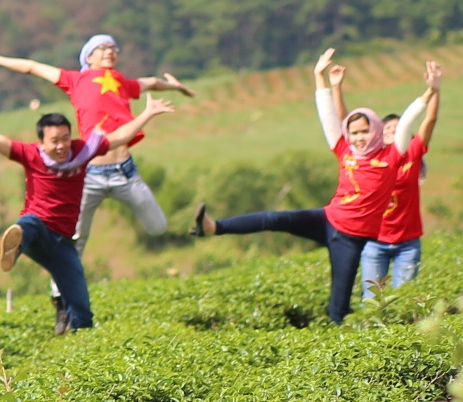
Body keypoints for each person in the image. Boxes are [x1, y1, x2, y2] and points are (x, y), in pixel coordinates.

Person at [0, 36, 197, 325]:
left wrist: (175, 86)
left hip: (124, 170)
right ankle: (60, 302)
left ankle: (69, 298)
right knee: (73, 240)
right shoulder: (75, 79)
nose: (110, 52)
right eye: (102, 48)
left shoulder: (122, 82)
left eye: (114, 48)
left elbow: (150, 82)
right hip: (89, 172)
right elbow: (31, 67)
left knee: (158, 226)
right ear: (87, 56)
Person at [190, 53, 419, 324]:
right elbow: (329, 118)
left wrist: (428, 95)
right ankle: (213, 227)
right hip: (327, 220)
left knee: (338, 307)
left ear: (377, 130)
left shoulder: (390, 156)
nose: (358, 138)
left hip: (350, 239)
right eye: (354, 133)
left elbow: (406, 126)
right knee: (273, 218)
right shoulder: (345, 149)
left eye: (364, 132)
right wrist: (319, 77)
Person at [0, 85, 171, 332]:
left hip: (63, 242)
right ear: (42, 141)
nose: (61, 146)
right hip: (37, 228)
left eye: (65, 138)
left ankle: (79, 333)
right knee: (29, 224)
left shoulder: (83, 150)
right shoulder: (30, 154)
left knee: (82, 311)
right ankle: (15, 247)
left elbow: (120, 137)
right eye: (54, 141)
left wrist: (148, 113)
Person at [347, 60, 444, 296]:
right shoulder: (368, 158)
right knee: (372, 300)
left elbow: (429, 121)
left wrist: (435, 89)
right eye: (387, 128)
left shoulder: (413, 151)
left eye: (398, 128)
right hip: (374, 241)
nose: (392, 131)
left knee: (404, 300)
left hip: (407, 243)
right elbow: (344, 126)